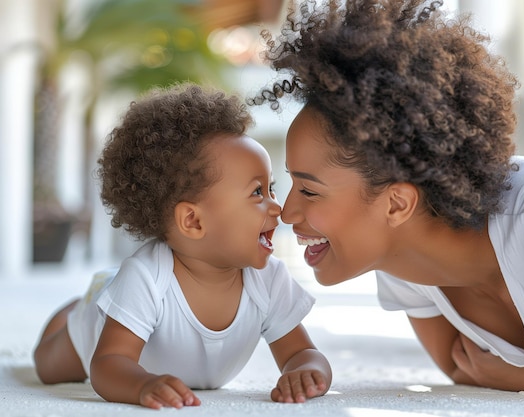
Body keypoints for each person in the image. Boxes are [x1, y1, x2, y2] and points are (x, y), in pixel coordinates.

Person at [250, 0, 524, 396]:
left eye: (309, 190)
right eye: (291, 184)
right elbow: (460, 365)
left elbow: (484, 372)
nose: (288, 212)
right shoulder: (403, 260)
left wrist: (521, 378)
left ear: (397, 204)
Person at [33, 83, 332, 409]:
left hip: (134, 305)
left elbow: (303, 353)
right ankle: (80, 307)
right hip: (96, 329)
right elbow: (107, 365)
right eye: (257, 193)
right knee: (49, 367)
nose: (277, 207)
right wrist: (141, 382)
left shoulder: (269, 280)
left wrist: (306, 371)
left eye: (270, 188)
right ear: (193, 221)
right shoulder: (147, 278)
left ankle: (102, 292)